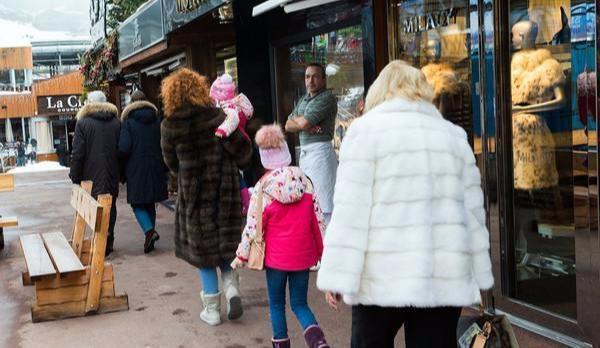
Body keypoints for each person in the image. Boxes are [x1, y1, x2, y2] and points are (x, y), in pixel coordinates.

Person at [316, 60, 494, 348]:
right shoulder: (453, 137)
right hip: (442, 277)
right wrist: (479, 274)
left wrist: (338, 274)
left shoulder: (364, 133)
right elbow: (473, 213)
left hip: (380, 275)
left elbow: (351, 212)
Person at [160, 68, 252, 326]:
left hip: (195, 197)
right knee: (225, 245)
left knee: (204, 254)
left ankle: (212, 310)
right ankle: (232, 288)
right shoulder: (220, 117)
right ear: (202, 90)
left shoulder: (170, 126)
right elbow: (244, 154)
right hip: (226, 194)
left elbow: (172, 164)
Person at [231, 125, 329, 348]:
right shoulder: (305, 182)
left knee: (276, 304)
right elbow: (319, 221)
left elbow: (253, 227)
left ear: (265, 159)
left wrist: (241, 255)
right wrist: (326, 255)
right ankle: (319, 342)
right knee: (300, 304)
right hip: (303, 258)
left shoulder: (262, 188)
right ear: (287, 153)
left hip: (276, 260)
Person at [285, 63, 338, 225]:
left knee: (325, 205)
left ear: (323, 79)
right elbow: (288, 124)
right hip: (306, 155)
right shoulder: (304, 99)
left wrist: (302, 124)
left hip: (321, 154)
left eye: (315, 76)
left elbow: (303, 124)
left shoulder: (326, 97)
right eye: (307, 77)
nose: (311, 80)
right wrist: (302, 124)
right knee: (309, 201)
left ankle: (328, 247)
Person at [70, 90, 121, 256]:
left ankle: (100, 240)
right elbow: (121, 149)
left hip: (90, 174)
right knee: (110, 205)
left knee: (94, 207)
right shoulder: (116, 122)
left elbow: (78, 153)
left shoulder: (83, 123)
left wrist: (75, 176)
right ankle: (109, 237)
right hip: (112, 171)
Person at [118, 90, 168, 254]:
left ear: (131, 104)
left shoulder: (128, 122)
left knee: (137, 203)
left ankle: (149, 232)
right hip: (156, 165)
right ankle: (150, 238)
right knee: (150, 203)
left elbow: (124, 148)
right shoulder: (157, 120)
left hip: (136, 168)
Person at [210, 73, 254, 214]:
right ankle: (245, 202)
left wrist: (221, 131)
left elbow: (231, 122)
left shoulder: (229, 108)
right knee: (236, 174)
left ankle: (245, 203)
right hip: (240, 143)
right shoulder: (240, 105)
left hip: (230, 143)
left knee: (234, 175)